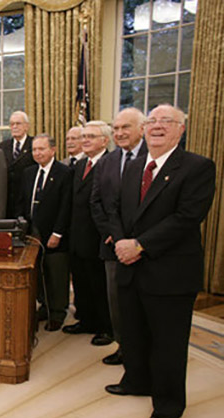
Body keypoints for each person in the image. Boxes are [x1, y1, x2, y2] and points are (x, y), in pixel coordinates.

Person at [105, 105, 215, 418]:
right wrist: (121, 240)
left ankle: (168, 402)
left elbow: (186, 218)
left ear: (181, 129)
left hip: (169, 272)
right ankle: (136, 381)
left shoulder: (197, 167)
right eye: (152, 120)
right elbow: (117, 210)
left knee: (168, 342)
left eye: (167, 121)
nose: (157, 126)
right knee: (134, 333)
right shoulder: (135, 165)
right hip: (129, 266)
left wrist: (140, 245)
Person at [90, 108, 147, 365]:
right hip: (113, 245)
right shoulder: (107, 162)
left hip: (145, 246)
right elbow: (97, 202)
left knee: (144, 302)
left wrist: (134, 240)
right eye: (116, 129)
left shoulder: (153, 156)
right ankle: (124, 346)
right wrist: (114, 234)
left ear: (142, 129)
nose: (120, 133)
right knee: (117, 301)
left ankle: (144, 350)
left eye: (126, 127)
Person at [63, 121, 112, 346]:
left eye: (91, 136)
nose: (85, 140)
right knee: (81, 282)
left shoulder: (112, 164)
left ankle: (105, 327)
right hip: (77, 235)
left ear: (105, 140)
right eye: (83, 136)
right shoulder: (80, 165)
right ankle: (86, 320)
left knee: (99, 284)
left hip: (99, 236)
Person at [16, 134, 72, 331]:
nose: (37, 153)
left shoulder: (64, 173)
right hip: (32, 233)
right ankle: (45, 306)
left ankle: (57, 312)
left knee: (56, 274)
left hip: (54, 233)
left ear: (53, 150)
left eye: (41, 149)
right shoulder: (29, 172)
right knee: (38, 273)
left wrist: (58, 233)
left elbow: (66, 206)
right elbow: (23, 202)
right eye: (34, 150)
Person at [0, 111, 35, 218]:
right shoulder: (1, 148)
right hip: (6, 203)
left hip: (27, 201)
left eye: (18, 123)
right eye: (12, 124)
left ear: (26, 126)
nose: (14, 127)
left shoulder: (35, 145)